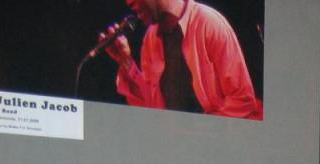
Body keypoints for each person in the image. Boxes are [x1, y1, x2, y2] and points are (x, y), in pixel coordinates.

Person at [102, 0, 263, 120]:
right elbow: (152, 107)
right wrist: (125, 61)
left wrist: (198, 132)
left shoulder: (208, 23)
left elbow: (242, 101)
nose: (129, 2)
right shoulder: (151, 39)